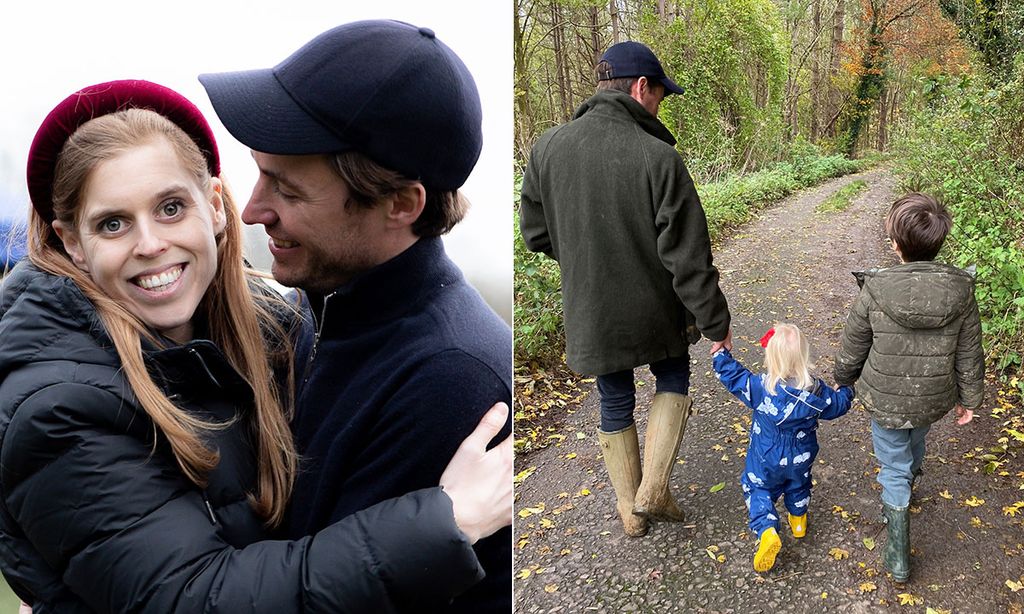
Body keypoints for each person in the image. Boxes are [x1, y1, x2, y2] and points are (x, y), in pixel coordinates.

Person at [0, 79, 512, 613]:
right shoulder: (55, 408)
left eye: (171, 208)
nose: (150, 244)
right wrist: (448, 522)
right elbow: (192, 598)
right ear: (72, 243)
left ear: (215, 206)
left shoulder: (274, 330)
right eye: (113, 224)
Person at [198, 20, 512, 612]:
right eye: (259, 172)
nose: (252, 209)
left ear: (399, 203)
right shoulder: (327, 311)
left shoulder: (447, 381)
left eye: (287, 190)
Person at [519, 40, 732, 537]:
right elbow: (688, 256)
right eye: (659, 96)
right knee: (673, 375)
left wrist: (583, 257)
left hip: (591, 307)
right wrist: (714, 321)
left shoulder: (546, 148)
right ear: (640, 88)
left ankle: (629, 513)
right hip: (656, 306)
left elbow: (535, 232)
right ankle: (654, 488)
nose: (659, 106)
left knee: (613, 397)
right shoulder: (659, 158)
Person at [834, 192, 984, 583]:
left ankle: (898, 552)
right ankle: (911, 477)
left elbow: (854, 342)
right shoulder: (961, 290)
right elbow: (970, 349)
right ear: (939, 242)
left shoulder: (876, 288)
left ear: (896, 245)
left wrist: (843, 378)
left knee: (892, 464)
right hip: (932, 395)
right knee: (915, 438)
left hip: (885, 399)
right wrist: (970, 398)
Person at [712, 323, 853, 572]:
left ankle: (767, 531)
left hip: (766, 456)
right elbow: (839, 405)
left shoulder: (760, 388)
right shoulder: (817, 393)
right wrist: (847, 390)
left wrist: (720, 355)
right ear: (804, 357)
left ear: (771, 358)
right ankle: (798, 521)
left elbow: (733, 377)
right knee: (798, 484)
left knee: (757, 487)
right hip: (802, 455)